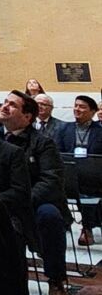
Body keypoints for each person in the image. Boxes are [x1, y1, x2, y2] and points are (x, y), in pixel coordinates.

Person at [0, 90, 76, 295]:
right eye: (4, 102)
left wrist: (22, 201)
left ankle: (56, 282)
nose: (4, 107)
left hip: (35, 203)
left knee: (49, 216)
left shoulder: (43, 143)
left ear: (27, 116)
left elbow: (50, 180)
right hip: (5, 202)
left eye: (12, 105)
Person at [57, 95, 99, 245]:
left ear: (93, 112)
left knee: (88, 192)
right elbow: (58, 152)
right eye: (76, 106)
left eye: (82, 107)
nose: (77, 109)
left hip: (94, 176)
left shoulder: (99, 130)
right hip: (69, 174)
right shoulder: (64, 129)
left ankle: (87, 228)